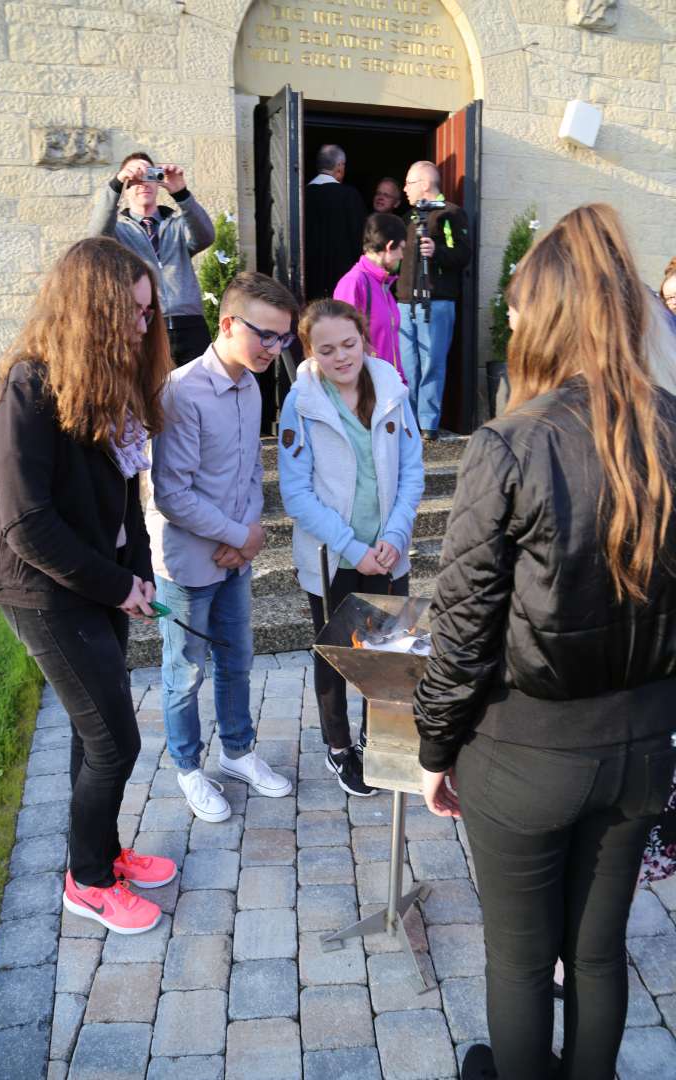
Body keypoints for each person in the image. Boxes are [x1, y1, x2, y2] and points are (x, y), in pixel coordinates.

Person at [413, 204, 676, 1080]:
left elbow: (461, 625)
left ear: (556, 312)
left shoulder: (511, 443)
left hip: (528, 755)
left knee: (524, 961)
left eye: (522, 305)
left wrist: (434, 750)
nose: (513, 319)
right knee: (596, 955)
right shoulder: (671, 425)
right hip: (640, 750)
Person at [0, 237, 176, 935]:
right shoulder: (29, 390)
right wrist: (117, 586)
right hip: (45, 592)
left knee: (93, 730)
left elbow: (127, 495)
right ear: (86, 308)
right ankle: (87, 882)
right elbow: (26, 526)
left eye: (149, 313)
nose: (142, 326)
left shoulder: (106, 380)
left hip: (102, 583)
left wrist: (141, 577)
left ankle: (101, 852)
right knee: (115, 742)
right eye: (130, 312)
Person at [147, 272, 298, 822]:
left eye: (284, 338)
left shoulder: (253, 386)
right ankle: (189, 767)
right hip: (189, 563)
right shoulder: (181, 392)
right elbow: (171, 494)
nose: (275, 348)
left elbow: (248, 475)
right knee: (184, 672)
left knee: (237, 661)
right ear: (229, 324)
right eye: (267, 335)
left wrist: (248, 537)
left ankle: (238, 752)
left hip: (236, 556)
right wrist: (241, 536)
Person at [278, 299, 424, 796]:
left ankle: (376, 740)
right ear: (310, 352)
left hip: (387, 553)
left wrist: (393, 536)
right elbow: (296, 494)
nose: (341, 357)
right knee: (336, 656)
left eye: (349, 344)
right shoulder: (301, 402)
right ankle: (340, 748)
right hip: (334, 558)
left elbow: (412, 471)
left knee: (386, 654)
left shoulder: (391, 389)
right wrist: (352, 546)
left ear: (364, 338)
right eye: (327, 349)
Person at [88, 151, 215, 367]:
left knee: (197, 391)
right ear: (125, 190)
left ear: (158, 183)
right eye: (135, 179)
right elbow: (96, 239)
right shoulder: (117, 232)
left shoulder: (177, 225)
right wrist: (116, 185)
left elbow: (205, 236)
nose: (143, 184)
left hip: (190, 324)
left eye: (149, 176)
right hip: (144, 324)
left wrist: (181, 193)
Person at [396, 160, 471, 439]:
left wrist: (436, 251)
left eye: (409, 183)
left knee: (431, 362)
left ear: (425, 184)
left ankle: (427, 423)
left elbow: (463, 254)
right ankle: (410, 419)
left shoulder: (450, 214)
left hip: (436, 302)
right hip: (405, 302)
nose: (405, 189)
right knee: (408, 365)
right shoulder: (408, 218)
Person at [334, 213, 407, 384]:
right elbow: (341, 340)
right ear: (389, 246)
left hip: (387, 387)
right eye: (401, 248)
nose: (402, 256)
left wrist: (400, 381)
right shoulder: (353, 282)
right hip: (368, 388)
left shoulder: (383, 285)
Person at [304, 144, 367, 301]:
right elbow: (361, 241)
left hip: (307, 282)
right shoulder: (350, 196)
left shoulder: (301, 196)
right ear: (339, 167)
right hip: (343, 285)